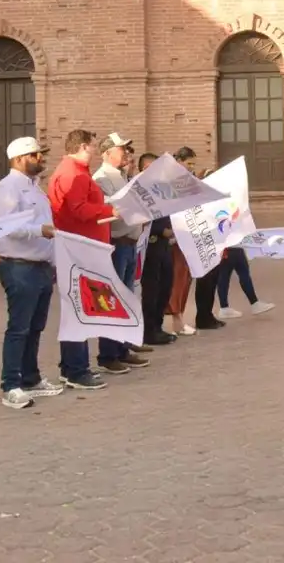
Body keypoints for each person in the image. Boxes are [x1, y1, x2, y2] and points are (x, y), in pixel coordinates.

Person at [49, 129, 145, 380]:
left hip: (87, 246)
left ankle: (79, 366)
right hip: (81, 248)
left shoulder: (78, 173)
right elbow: (79, 211)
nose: (93, 151)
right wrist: (110, 209)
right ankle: (76, 369)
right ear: (83, 147)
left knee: (89, 307)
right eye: (91, 146)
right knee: (81, 310)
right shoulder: (74, 174)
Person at [0, 137, 66, 410]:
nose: (41, 159)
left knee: (35, 327)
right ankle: (10, 385)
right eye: (35, 155)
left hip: (41, 266)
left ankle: (31, 378)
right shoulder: (6, 189)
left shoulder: (35, 189)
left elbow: (50, 228)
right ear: (20, 158)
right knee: (19, 328)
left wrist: (53, 262)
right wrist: (38, 231)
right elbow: (6, 228)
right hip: (19, 266)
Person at [94, 132, 154, 357]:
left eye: (128, 149)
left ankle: (124, 346)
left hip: (129, 244)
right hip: (117, 243)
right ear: (107, 153)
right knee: (114, 299)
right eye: (122, 149)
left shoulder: (121, 175)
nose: (128, 153)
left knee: (127, 297)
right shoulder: (102, 178)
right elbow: (115, 207)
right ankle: (110, 353)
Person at [136, 153, 178, 345]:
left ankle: (158, 326)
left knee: (165, 286)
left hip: (164, 245)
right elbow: (139, 218)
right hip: (151, 245)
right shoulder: (138, 191)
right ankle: (148, 331)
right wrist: (162, 230)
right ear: (143, 169)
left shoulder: (160, 189)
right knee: (151, 290)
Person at [165, 146, 198, 336]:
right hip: (174, 238)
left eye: (193, 164)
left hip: (187, 236)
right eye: (188, 164)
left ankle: (180, 320)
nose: (191, 168)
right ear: (179, 162)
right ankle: (175, 320)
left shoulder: (190, 182)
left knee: (185, 278)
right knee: (177, 279)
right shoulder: (170, 183)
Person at [192, 167, 227, 331]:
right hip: (204, 246)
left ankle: (208, 314)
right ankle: (202, 317)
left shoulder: (216, 200)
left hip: (216, 245)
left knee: (213, 281)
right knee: (205, 282)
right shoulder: (199, 199)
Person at [216, 246, 275, 319]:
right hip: (230, 248)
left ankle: (224, 307)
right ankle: (254, 303)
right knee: (239, 274)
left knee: (225, 276)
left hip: (227, 248)